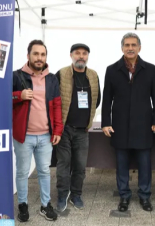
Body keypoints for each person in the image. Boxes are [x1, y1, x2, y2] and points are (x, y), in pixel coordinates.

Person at [102, 32, 155, 212]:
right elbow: (107, 99)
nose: (130, 48)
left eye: (133, 45)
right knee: (122, 164)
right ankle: (124, 197)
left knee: (145, 164)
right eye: (127, 45)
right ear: (122, 48)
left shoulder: (150, 69)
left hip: (144, 125)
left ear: (139, 48)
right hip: (120, 126)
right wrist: (106, 122)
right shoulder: (112, 70)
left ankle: (145, 197)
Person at [12, 39, 63, 222]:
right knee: (22, 172)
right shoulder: (17, 76)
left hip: (45, 136)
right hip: (23, 137)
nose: (39, 58)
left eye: (42, 54)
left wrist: (57, 130)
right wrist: (19, 95)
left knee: (44, 171)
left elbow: (57, 106)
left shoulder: (51, 79)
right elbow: (2, 100)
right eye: (36, 54)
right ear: (28, 56)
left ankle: (45, 205)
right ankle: (23, 205)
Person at [55, 43, 101, 212]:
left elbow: (98, 99)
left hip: (83, 130)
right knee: (63, 165)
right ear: (71, 55)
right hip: (64, 129)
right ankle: (62, 195)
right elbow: (53, 99)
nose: (81, 56)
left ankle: (76, 194)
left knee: (80, 166)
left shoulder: (93, 75)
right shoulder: (61, 74)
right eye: (77, 53)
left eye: (84, 53)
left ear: (87, 56)